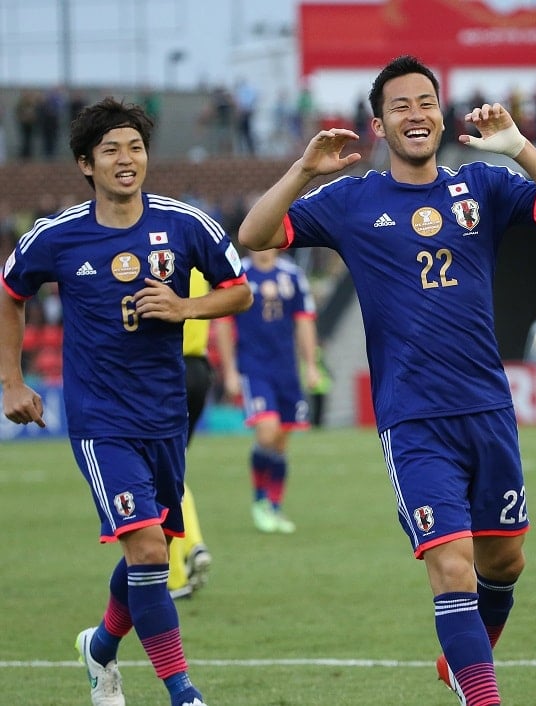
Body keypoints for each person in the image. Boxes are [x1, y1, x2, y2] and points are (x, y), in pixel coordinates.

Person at [237, 54, 536, 706]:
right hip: (413, 418)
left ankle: (460, 664)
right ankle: (481, 696)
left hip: (487, 407)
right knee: (452, 566)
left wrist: (519, 147)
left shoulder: (482, 185)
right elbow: (254, 233)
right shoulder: (351, 200)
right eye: (400, 106)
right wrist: (303, 171)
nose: (416, 114)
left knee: (504, 561)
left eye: (425, 102)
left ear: (442, 116)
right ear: (379, 126)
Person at [0, 97, 252, 706]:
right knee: (146, 547)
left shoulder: (186, 225)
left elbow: (239, 292)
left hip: (164, 414)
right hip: (100, 418)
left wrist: (186, 306)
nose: (126, 159)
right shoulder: (57, 235)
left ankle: (101, 647)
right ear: (86, 164)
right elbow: (10, 293)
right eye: (111, 149)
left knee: (151, 551)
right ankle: (183, 692)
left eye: (135, 147)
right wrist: (12, 381)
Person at [216, 248, 320, 534]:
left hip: (286, 369)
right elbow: (223, 324)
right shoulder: (239, 274)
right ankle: (260, 501)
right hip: (254, 368)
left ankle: (274, 506)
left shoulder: (292, 275)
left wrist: (311, 365)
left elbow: (304, 320)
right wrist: (229, 371)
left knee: (281, 441)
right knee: (267, 431)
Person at [168, 268, 216, 600]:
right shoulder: (202, 259)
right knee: (174, 468)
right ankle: (194, 545)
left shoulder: (159, 257)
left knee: (159, 475)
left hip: (169, 368)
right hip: (199, 370)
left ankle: (174, 578)